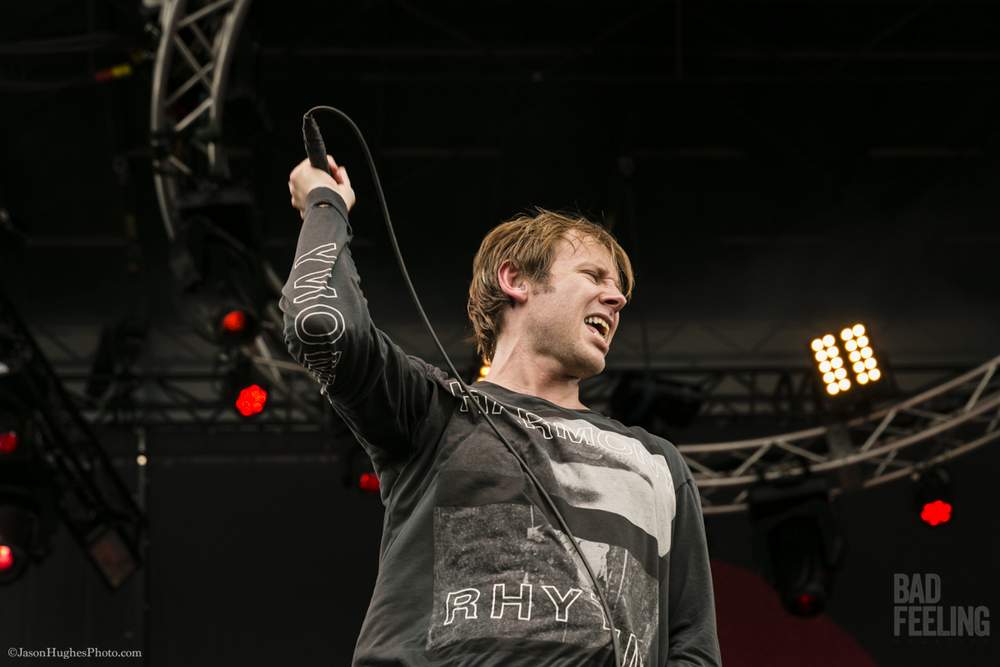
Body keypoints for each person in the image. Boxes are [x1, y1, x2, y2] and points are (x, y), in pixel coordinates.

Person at [282, 154, 722, 666]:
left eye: (619, 288)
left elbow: (693, 648)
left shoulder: (657, 462)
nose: (617, 298)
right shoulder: (438, 413)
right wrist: (326, 203)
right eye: (593, 275)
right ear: (515, 279)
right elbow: (319, 325)